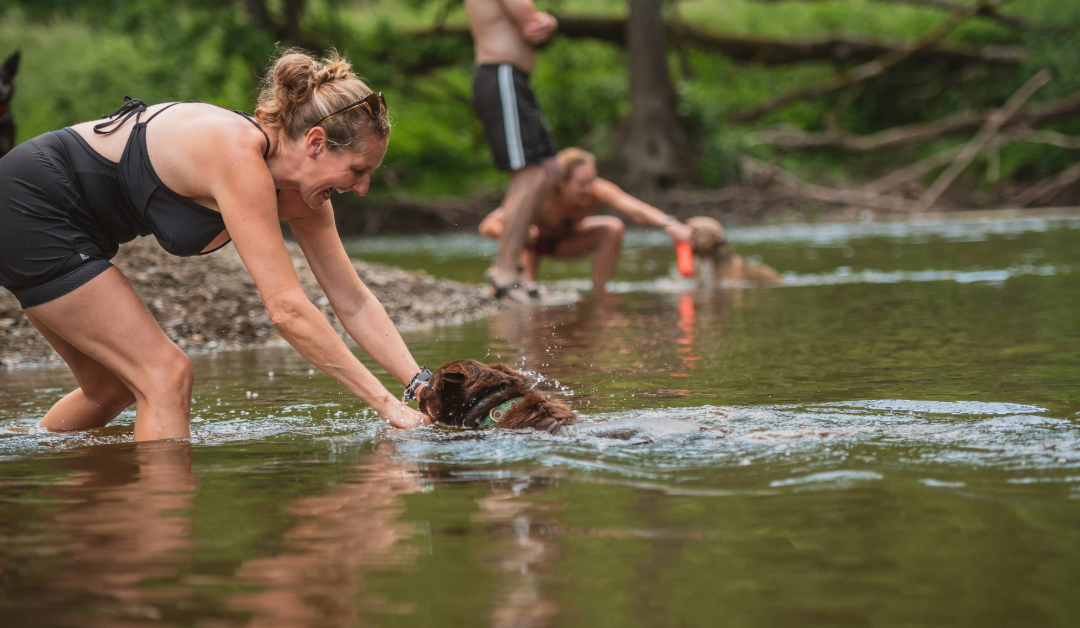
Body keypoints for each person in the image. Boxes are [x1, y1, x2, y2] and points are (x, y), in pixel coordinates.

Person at [0, 50, 432, 441]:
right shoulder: (237, 152)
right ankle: (161, 524)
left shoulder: (304, 197)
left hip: (66, 223)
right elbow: (286, 309)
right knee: (165, 376)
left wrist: (422, 387)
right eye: (357, 170)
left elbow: (353, 301)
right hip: (32, 202)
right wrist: (388, 408)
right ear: (316, 143)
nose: (362, 188)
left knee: (108, 391)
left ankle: (18, 456)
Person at [479, 147, 693, 294]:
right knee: (525, 301)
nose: (589, 189)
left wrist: (671, 225)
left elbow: (635, 208)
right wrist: (523, 235)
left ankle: (599, 293)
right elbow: (488, 225)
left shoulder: (597, 191)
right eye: (582, 184)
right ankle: (514, 283)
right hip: (532, 248)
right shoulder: (541, 195)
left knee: (613, 227)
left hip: (566, 243)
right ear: (562, 183)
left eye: (592, 180)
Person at [465, 0, 562, 300]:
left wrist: (552, 23)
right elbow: (532, 24)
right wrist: (548, 21)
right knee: (530, 175)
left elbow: (537, 28)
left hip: (513, 78)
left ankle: (513, 269)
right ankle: (505, 276)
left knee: (551, 169)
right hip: (500, 74)